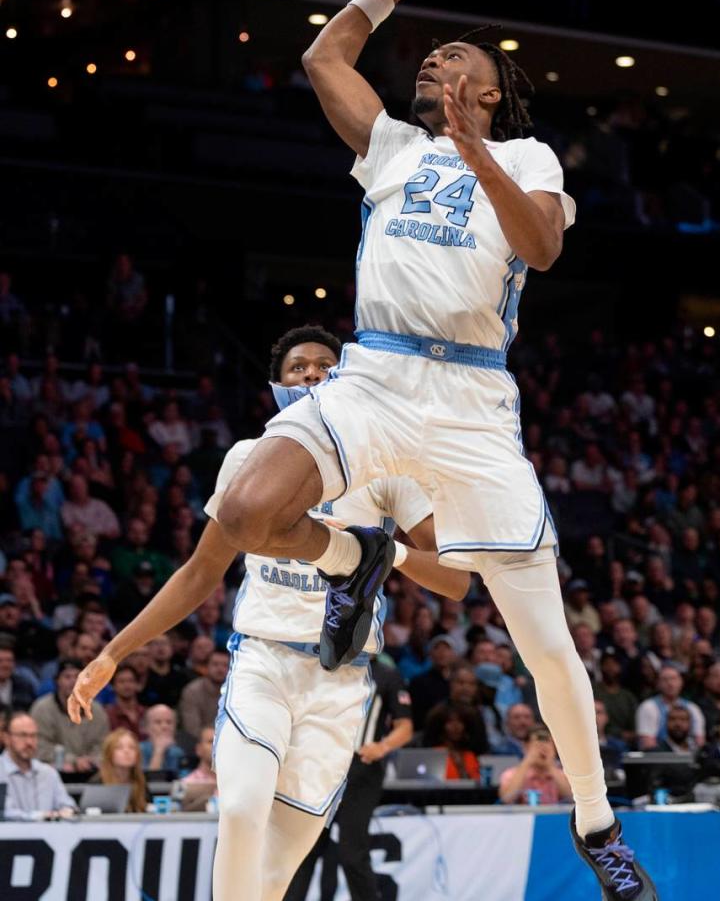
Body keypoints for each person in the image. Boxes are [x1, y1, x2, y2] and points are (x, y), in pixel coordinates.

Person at [212, 0, 654, 896]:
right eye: (430, 54)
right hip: (371, 378)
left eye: (457, 59)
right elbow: (325, 61)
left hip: (470, 405)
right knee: (246, 509)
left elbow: (539, 246)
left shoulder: (526, 154)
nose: (434, 63)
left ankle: (595, 817)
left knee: (546, 644)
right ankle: (353, 556)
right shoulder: (391, 150)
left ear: (493, 92)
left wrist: (473, 151)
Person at [69, 325, 468, 901]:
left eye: (323, 365)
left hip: (342, 682)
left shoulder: (387, 466)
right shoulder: (247, 460)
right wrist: (113, 652)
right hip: (265, 660)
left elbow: (455, 580)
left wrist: (388, 552)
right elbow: (198, 573)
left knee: (275, 875)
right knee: (240, 807)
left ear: (346, 378)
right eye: (296, 368)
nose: (310, 374)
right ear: (277, 387)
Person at [284, 655, 413, 901]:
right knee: (305, 848)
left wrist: (382, 747)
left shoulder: (387, 675)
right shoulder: (326, 665)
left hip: (361, 767)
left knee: (352, 851)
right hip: (323, 765)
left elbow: (405, 727)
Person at [31, 658, 108, 771]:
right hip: (54, 772)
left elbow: (104, 746)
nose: (73, 681)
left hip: (92, 771)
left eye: (77, 676)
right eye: (67, 677)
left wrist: (90, 760)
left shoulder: (97, 711)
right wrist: (72, 760)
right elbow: (40, 746)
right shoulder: (41, 709)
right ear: (57, 681)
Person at [0, 712, 76, 819]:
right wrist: (42, 816)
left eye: (33, 735)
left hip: (49, 834)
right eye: (23, 735)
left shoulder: (48, 772)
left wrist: (67, 811)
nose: (29, 742)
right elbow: (4, 813)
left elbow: (68, 805)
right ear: (6, 738)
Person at [499, 724, 573, 805]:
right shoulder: (511, 774)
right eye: (537, 744)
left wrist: (550, 766)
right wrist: (527, 761)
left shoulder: (565, 775)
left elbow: (572, 798)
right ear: (526, 746)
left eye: (547, 743)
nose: (542, 748)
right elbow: (506, 799)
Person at [87, 728, 150, 812]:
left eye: (132, 747)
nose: (127, 751)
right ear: (109, 754)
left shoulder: (140, 781)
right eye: (119, 747)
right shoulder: (98, 782)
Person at [178, 647, 229, 742]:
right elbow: (192, 729)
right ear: (206, 667)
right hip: (199, 743)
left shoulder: (235, 692)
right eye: (215, 664)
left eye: (225, 665)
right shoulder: (192, 691)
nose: (220, 669)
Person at [423, 701, 482, 780]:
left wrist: (461, 768)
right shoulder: (434, 755)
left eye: (460, 721)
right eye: (450, 721)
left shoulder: (470, 756)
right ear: (440, 725)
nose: (456, 727)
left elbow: (476, 785)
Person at [141, 704, 187, 773]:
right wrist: (159, 751)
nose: (164, 726)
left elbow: (184, 781)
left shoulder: (178, 752)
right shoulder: (138, 750)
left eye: (169, 722)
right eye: (158, 722)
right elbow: (149, 781)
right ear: (146, 727)